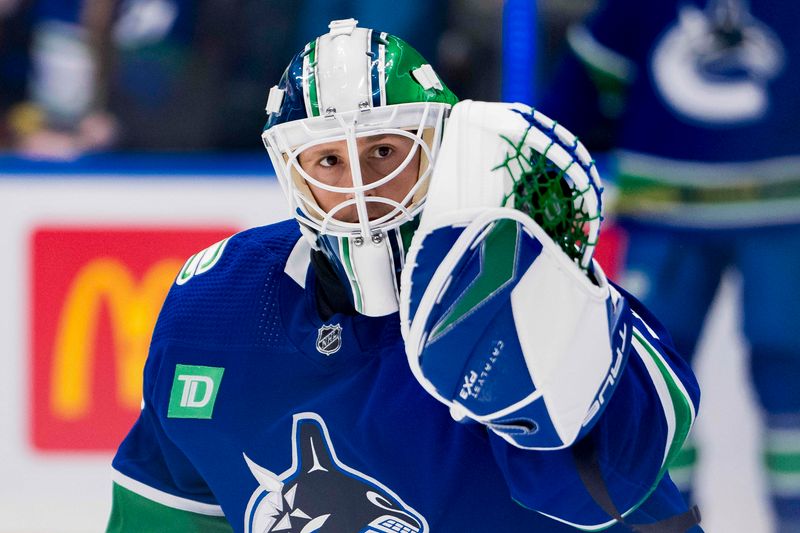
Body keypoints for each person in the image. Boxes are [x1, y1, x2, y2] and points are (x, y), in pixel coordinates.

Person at [107, 19, 702, 532]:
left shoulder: (516, 275)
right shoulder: (215, 306)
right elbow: (167, 504)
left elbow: (624, 479)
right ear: (293, 172)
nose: (360, 187)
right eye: (329, 160)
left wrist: (552, 356)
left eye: (384, 152)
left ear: (438, 145)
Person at [537, 0, 800, 530]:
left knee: (785, 375)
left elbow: (582, 94)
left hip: (771, 216)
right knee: (646, 379)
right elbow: (583, 87)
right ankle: (664, 520)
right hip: (688, 216)